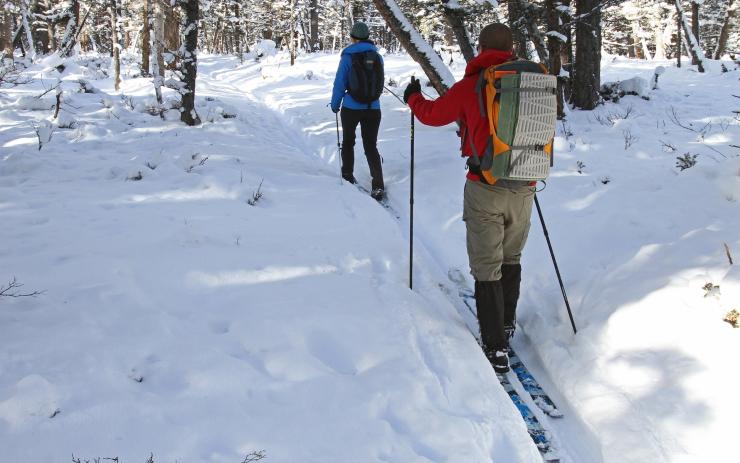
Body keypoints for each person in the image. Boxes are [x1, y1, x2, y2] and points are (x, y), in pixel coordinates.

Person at [403, 24, 534, 374]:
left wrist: (413, 97)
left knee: (485, 263)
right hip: (524, 185)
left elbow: (433, 115)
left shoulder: (472, 84)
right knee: (511, 255)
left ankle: (495, 347)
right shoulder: (530, 83)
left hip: (484, 185)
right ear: (512, 48)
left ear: (480, 47)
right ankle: (506, 324)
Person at [330, 22, 385, 201]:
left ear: (353, 37)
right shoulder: (377, 57)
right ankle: (378, 184)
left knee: (348, 141)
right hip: (373, 107)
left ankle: (347, 175)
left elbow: (340, 83)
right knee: (371, 146)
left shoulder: (347, 57)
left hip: (351, 107)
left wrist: (335, 104)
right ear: (367, 37)